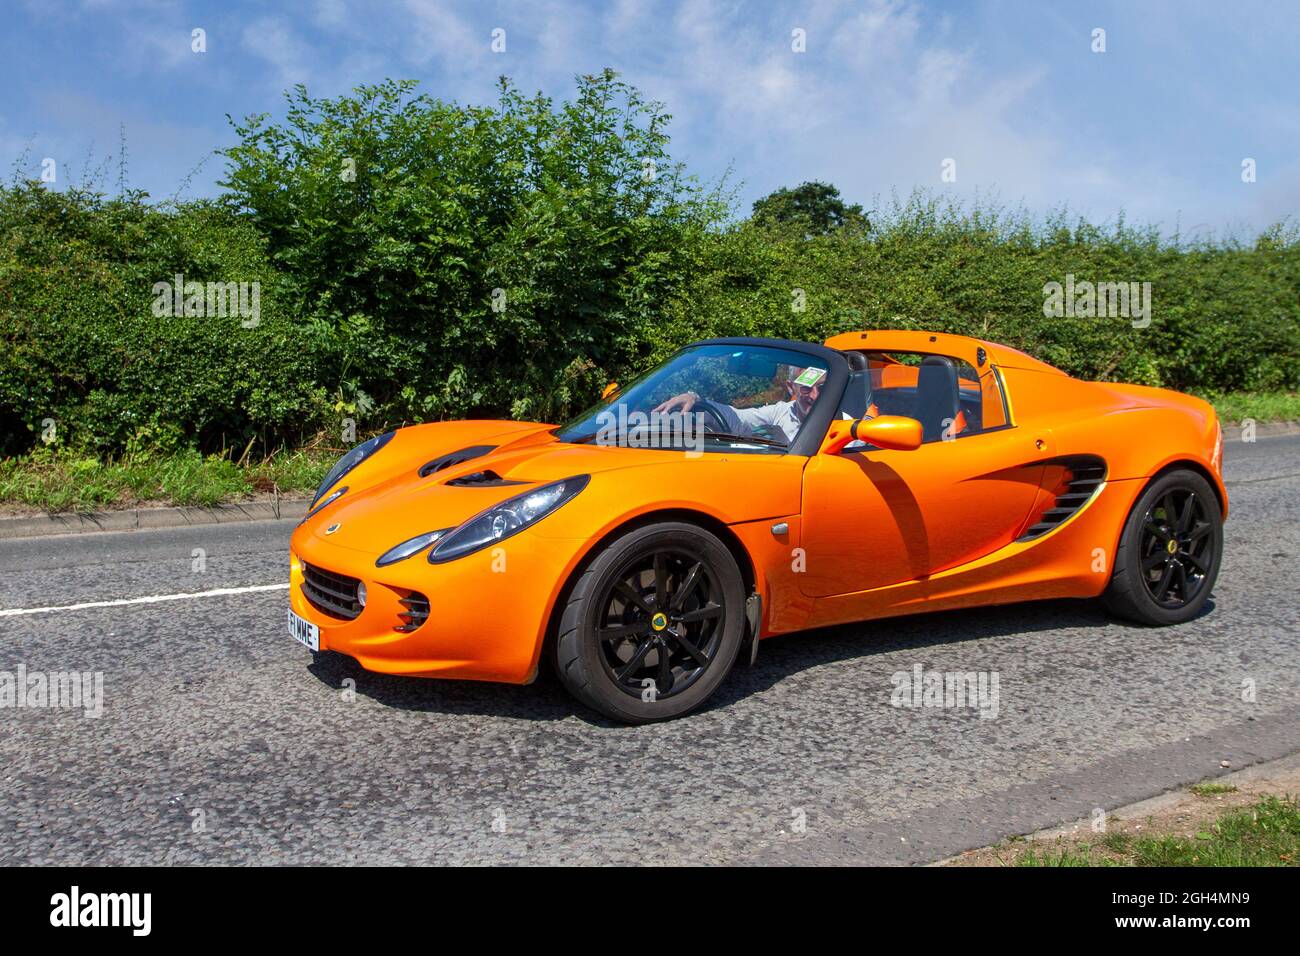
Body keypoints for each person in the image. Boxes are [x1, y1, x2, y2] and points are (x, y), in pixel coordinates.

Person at [651, 366, 827, 444]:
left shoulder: (842, 419)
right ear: (791, 388)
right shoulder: (781, 412)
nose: (815, 395)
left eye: (822, 387)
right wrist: (694, 398)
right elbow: (737, 418)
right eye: (806, 389)